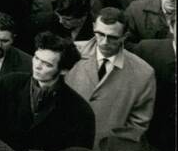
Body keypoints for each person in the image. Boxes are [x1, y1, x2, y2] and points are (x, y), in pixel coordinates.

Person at [0, 32, 96, 151]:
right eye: (36, 58)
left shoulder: (80, 111)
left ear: (64, 70)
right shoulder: (8, 85)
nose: (37, 66)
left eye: (47, 64)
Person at [64, 7, 157, 138]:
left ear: (125, 36)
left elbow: (137, 125)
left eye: (112, 37)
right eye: (100, 34)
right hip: (69, 146)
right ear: (93, 27)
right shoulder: (70, 56)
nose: (104, 42)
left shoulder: (143, 73)